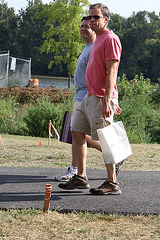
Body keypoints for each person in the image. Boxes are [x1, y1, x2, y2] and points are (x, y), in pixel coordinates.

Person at [58, 3, 122, 195]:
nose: (92, 20)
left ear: (105, 19)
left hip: (101, 96)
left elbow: (112, 72)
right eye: (90, 17)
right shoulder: (98, 40)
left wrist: (107, 99)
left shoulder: (110, 39)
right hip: (88, 96)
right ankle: (81, 177)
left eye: (96, 17)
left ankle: (112, 183)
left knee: (106, 137)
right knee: (76, 130)